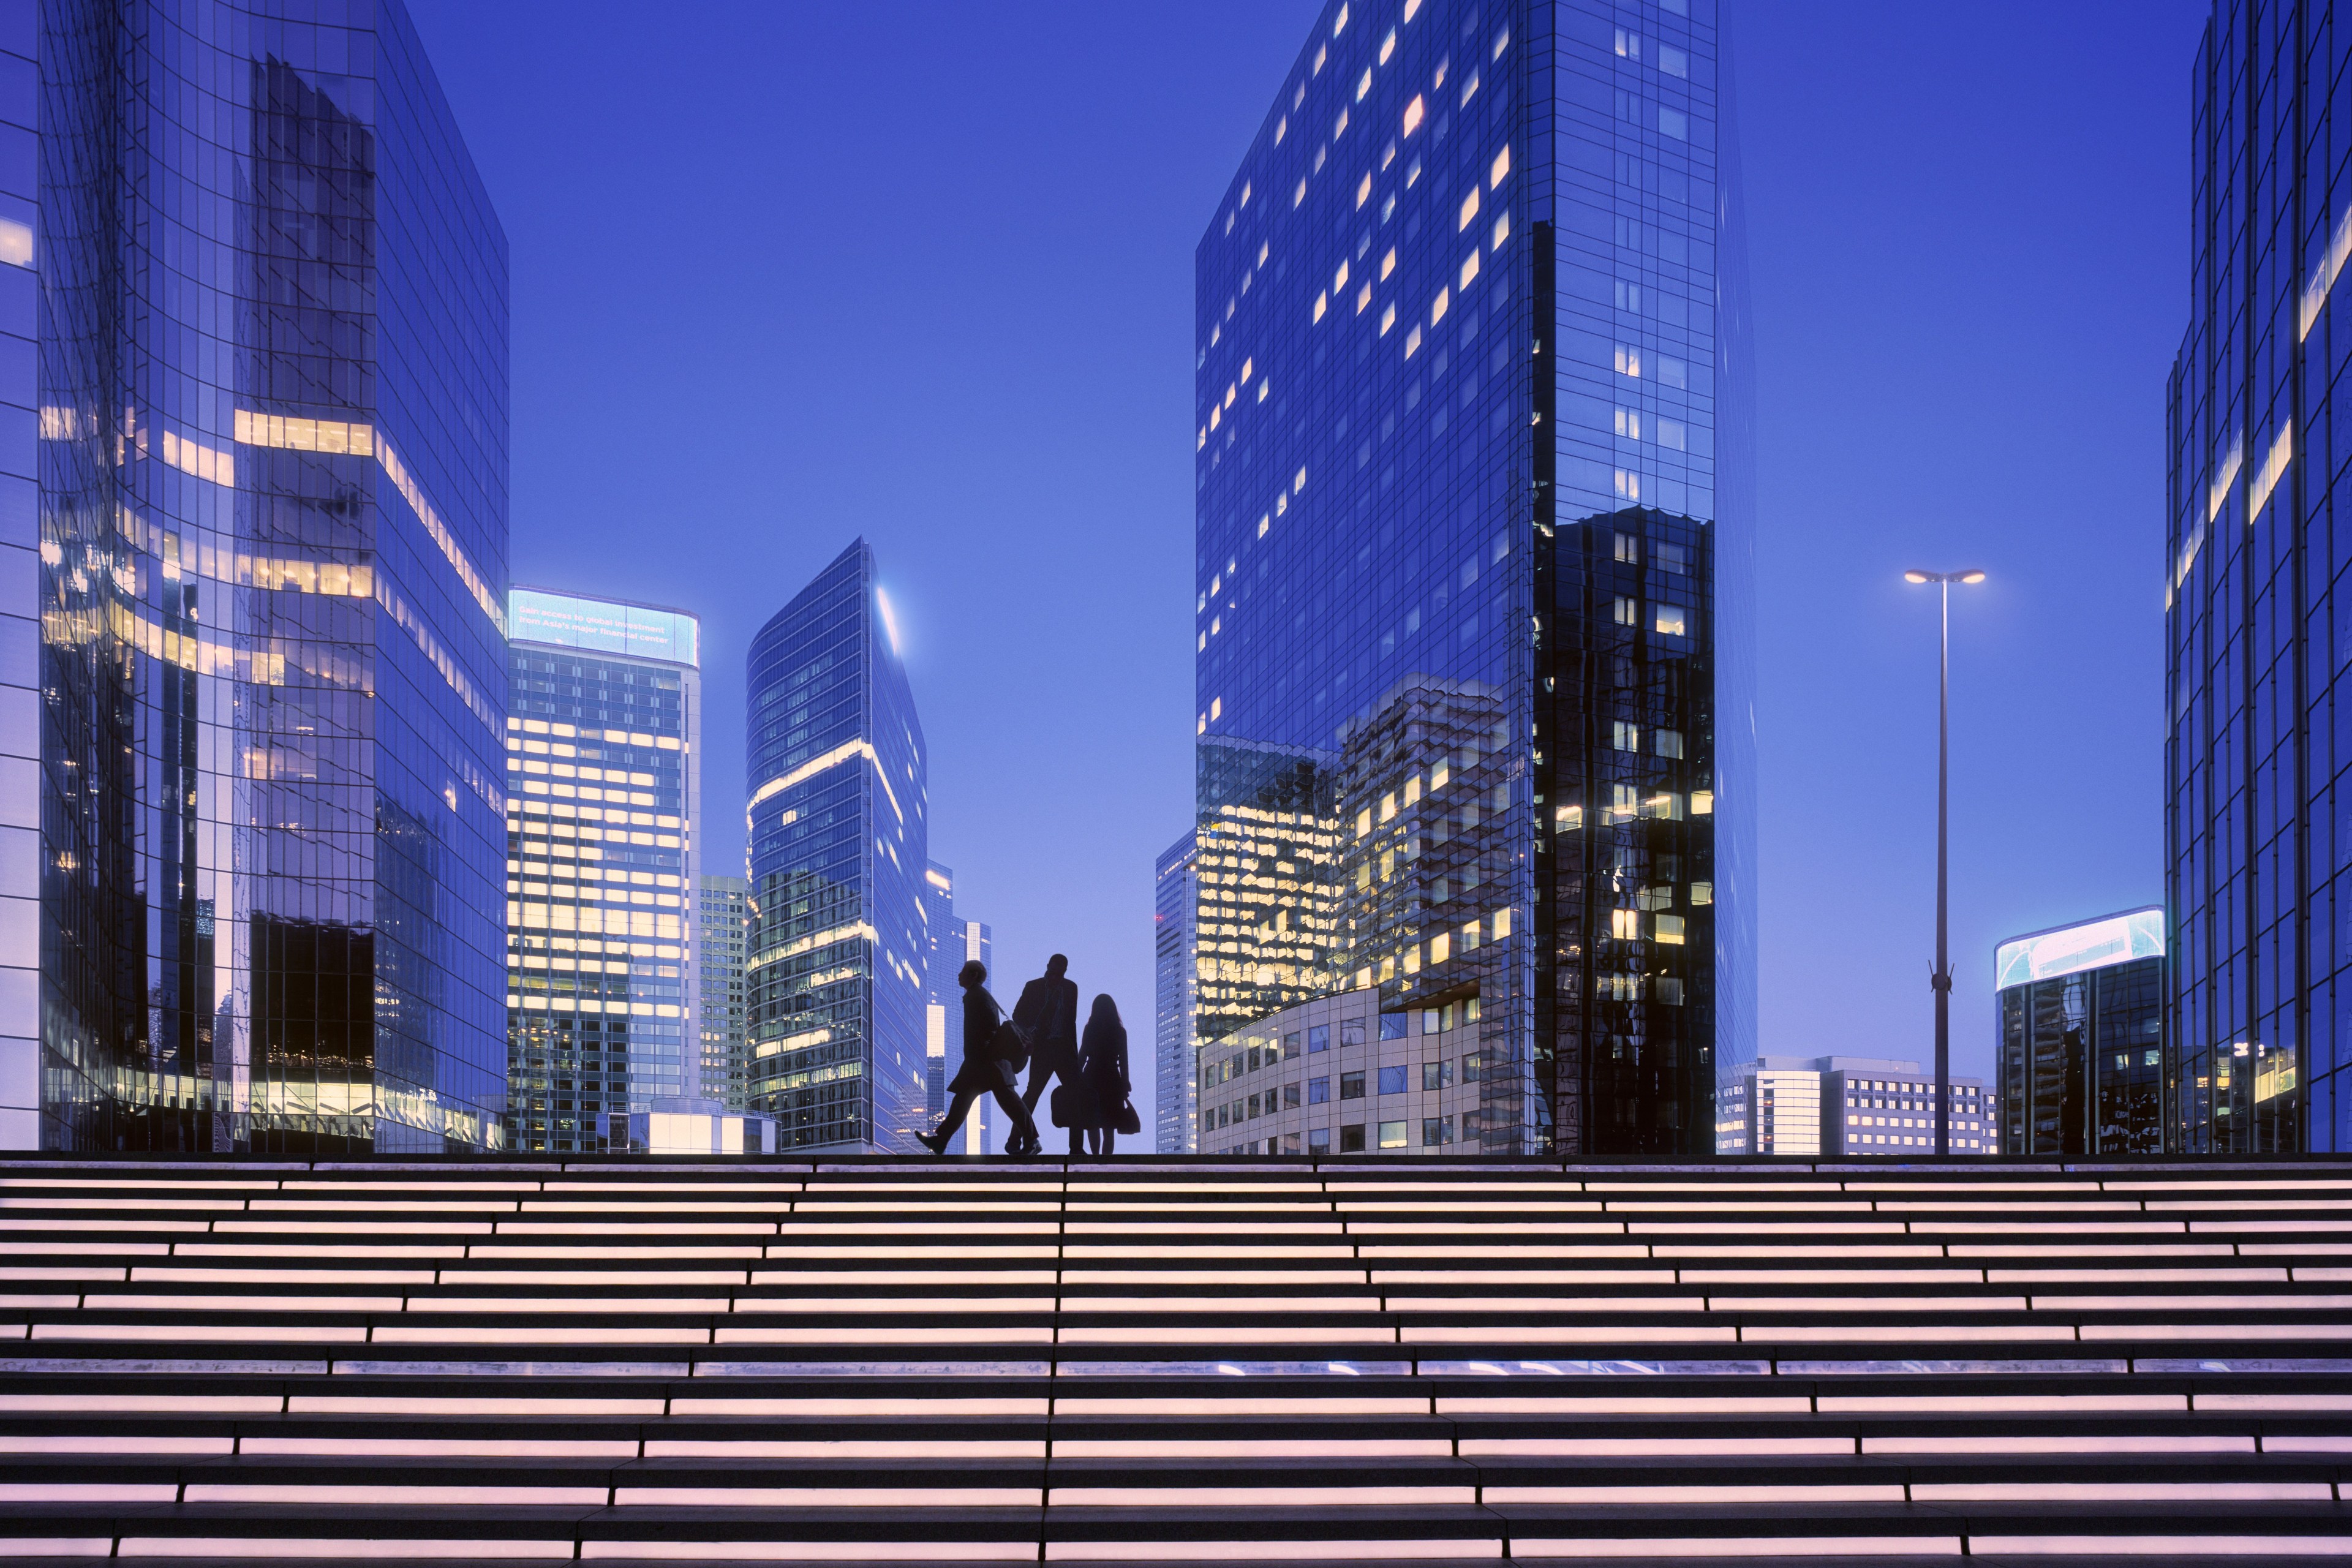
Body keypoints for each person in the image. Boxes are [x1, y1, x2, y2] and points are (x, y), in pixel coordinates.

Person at [918, 959, 1039, 1156]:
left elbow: (989, 1029)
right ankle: (940, 1141)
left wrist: (979, 1055)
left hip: (988, 1062)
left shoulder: (978, 996)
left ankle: (1032, 1140)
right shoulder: (976, 996)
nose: (959, 975)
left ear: (973, 975)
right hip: (986, 1062)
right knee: (967, 1100)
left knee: (1007, 1102)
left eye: (963, 971)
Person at [1015, 954, 1080, 1156]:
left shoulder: (1071, 988)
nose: (1055, 977)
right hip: (1042, 1049)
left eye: (1059, 973)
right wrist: (1030, 1032)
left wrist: (1074, 1055)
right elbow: (1018, 1016)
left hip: (1063, 1050)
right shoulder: (1034, 987)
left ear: (1064, 972)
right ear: (1048, 968)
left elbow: (1071, 1024)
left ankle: (1076, 1149)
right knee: (1032, 1095)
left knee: (1075, 1096)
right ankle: (1019, 1140)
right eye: (1053, 972)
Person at [1075, 993, 1132, 1157]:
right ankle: (1106, 1162)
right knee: (1109, 1126)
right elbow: (1124, 1060)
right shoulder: (1120, 1032)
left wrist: (1075, 1076)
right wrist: (1125, 1082)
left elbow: (1083, 1054)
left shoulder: (1090, 1029)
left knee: (1093, 1122)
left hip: (1091, 1078)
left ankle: (1095, 1158)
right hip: (1112, 1080)